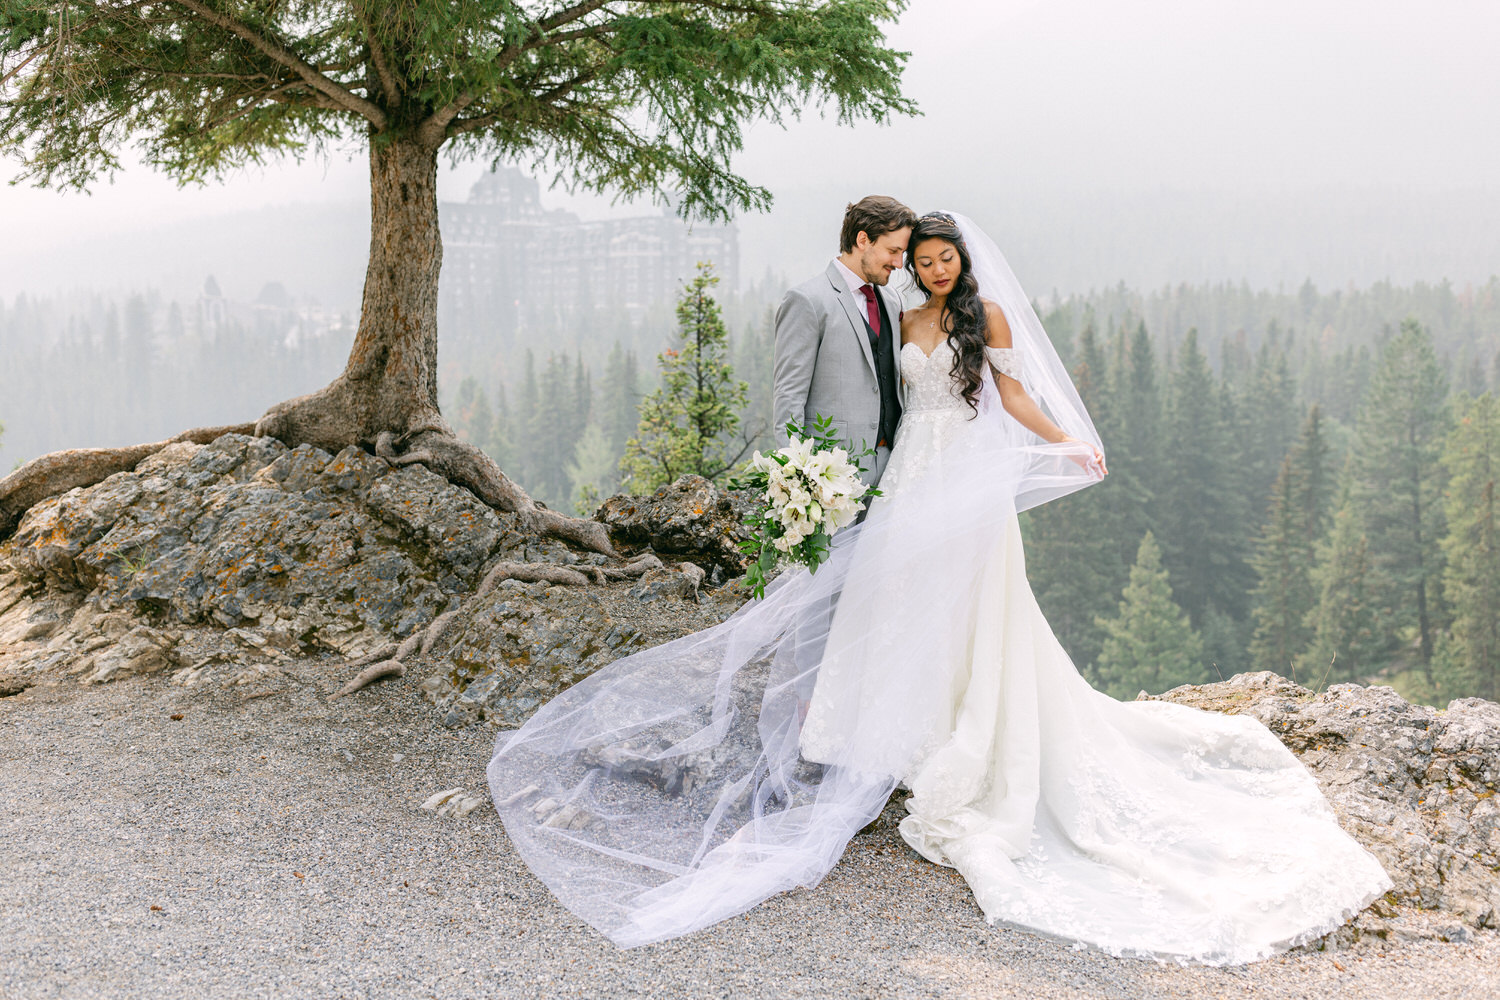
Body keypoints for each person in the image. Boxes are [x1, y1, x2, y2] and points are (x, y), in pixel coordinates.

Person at [487, 212, 1392, 964]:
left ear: (962, 258)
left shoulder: (982, 319)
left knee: (975, 611)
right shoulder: (898, 317)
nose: (930, 269)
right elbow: (860, 401)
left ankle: (964, 731)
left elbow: (1015, 394)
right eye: (918, 260)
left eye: (940, 257)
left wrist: (1063, 443)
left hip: (967, 480)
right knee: (896, 602)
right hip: (907, 478)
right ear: (905, 264)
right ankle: (877, 728)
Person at [772, 196, 916, 486]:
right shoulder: (808, 301)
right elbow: (789, 395)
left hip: (891, 470)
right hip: (829, 476)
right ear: (863, 239)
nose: (899, 263)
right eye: (893, 250)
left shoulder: (891, 300)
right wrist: (796, 475)